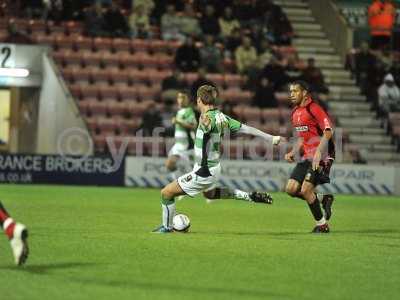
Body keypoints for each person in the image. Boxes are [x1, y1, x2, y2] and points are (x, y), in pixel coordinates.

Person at [152, 85, 283, 233]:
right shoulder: (222, 117)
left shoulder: (206, 118)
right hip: (214, 168)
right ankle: (249, 196)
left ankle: (166, 228)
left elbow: (207, 128)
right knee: (210, 194)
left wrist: (206, 128)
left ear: (199, 100)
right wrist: (271, 137)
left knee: (166, 193)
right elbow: (246, 128)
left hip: (204, 170)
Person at [284, 81, 335, 233]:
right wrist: (293, 152)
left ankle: (322, 225)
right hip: (307, 155)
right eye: (290, 91)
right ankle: (323, 198)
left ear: (304, 93)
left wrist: (319, 152)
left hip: (323, 154)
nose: (291, 94)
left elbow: (328, 131)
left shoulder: (314, 109)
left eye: (295, 91)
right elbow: (302, 137)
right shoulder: (295, 113)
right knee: (291, 189)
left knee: (306, 189)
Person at [165, 92, 197, 182]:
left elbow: (194, 126)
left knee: (195, 172)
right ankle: (179, 185)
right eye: (179, 98)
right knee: (169, 164)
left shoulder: (189, 111)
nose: (181, 100)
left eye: (183, 98)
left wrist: (178, 122)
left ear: (188, 100)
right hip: (178, 144)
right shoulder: (179, 111)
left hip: (187, 145)